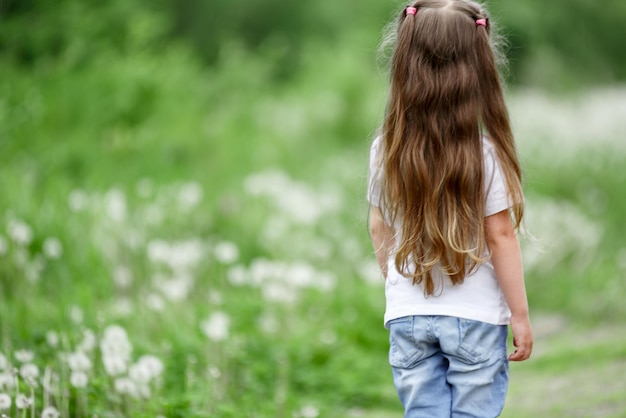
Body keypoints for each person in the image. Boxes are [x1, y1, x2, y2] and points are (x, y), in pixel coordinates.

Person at [367, 1, 533, 417]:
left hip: (408, 316)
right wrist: (521, 316)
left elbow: (378, 227)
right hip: (476, 319)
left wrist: (400, 284)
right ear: (478, 67)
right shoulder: (486, 156)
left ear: (405, 62)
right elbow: (500, 236)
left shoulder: (385, 151)